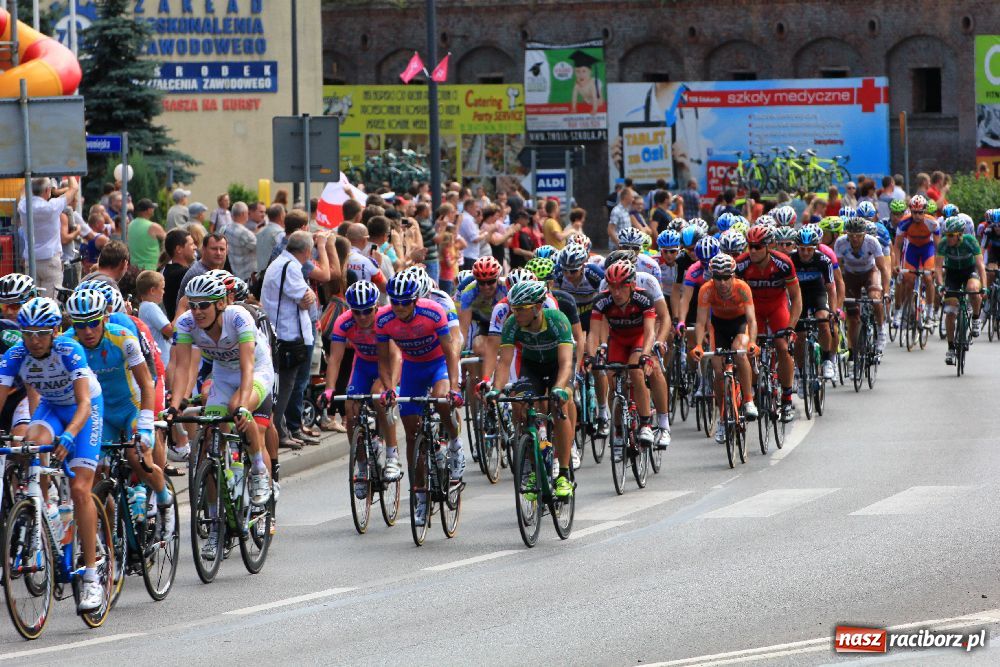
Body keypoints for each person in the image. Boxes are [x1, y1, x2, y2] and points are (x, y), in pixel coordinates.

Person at [0, 297, 104, 613]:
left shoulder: (69, 351)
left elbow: (85, 403)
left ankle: (90, 576)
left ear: (55, 331)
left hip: (84, 411)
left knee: (80, 489)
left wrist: (71, 434)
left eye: (41, 333)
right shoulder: (16, 355)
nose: (34, 340)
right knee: (28, 444)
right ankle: (42, 509)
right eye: (27, 332)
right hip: (51, 408)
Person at [65, 288, 174, 541]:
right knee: (94, 479)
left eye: (93, 322)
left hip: (130, 407)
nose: (88, 331)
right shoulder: (69, 343)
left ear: (104, 318)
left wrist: (146, 424)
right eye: (81, 325)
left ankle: (163, 499)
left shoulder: (123, 337)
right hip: (100, 413)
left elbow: (147, 383)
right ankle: (110, 541)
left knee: (137, 458)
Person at [170, 275, 273, 521]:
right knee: (209, 440)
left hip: (256, 371)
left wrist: (244, 407)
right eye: (193, 304)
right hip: (224, 376)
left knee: (237, 407)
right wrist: (175, 406)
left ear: (219, 304)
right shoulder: (185, 324)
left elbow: (248, 367)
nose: (197, 311)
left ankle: (258, 469)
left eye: (204, 304)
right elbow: (182, 368)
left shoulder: (238, 317)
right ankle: (216, 521)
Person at [376, 272, 462, 526]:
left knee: (442, 400)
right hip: (413, 368)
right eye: (395, 302)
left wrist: (455, 387)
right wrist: (390, 388)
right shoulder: (384, 319)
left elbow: (450, 351)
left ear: (415, 301)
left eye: (404, 302)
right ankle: (420, 497)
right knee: (412, 434)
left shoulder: (434, 312)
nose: (399, 307)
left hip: (437, 365)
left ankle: (455, 445)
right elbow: (384, 360)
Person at [485, 280, 575, 497]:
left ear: (537, 307)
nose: (516, 314)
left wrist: (559, 388)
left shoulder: (557, 320)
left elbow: (566, 363)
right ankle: (532, 463)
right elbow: (504, 363)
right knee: (520, 404)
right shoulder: (512, 324)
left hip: (556, 368)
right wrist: (495, 390)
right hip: (532, 368)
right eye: (514, 309)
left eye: (521, 309)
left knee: (559, 407)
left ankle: (563, 473)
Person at [322, 281, 401, 494]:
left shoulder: (385, 319)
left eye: (367, 311)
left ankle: (392, 454)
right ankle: (362, 464)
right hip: (364, 364)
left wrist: (391, 387)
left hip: (387, 363)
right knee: (350, 408)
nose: (363, 317)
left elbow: (394, 355)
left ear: (376, 307)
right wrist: (329, 390)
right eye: (357, 312)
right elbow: (335, 359)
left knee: (379, 396)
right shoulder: (343, 322)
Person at [589, 261, 657, 455]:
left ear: (632, 285)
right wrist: (590, 356)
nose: (616, 292)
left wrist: (646, 355)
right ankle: (618, 431)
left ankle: (645, 424)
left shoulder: (644, 298)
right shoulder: (602, 301)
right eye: (612, 287)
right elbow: (593, 335)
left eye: (621, 287)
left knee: (635, 372)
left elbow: (650, 332)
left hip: (638, 339)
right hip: (618, 340)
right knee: (612, 379)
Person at [735, 225, 802, 422]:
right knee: (749, 350)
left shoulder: (783, 263)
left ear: (768, 246)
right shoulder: (741, 264)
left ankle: (787, 399)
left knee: (782, 345)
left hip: (776, 307)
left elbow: (796, 297)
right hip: (753, 310)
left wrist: (791, 326)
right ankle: (753, 393)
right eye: (750, 246)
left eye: (757, 246)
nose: (753, 251)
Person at [690, 253, 759, 443]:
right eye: (717, 277)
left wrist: (752, 342)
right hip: (718, 327)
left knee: (740, 352)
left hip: (739, 324)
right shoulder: (706, 290)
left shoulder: (742, 288)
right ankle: (722, 417)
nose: (721, 282)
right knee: (718, 370)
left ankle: (748, 400)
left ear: (733, 275)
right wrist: (697, 345)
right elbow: (701, 321)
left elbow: (752, 319)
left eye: (726, 277)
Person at [262, 231, 318, 447]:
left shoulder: (283, 263)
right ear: (307, 250)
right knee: (285, 387)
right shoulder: (290, 266)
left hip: (285, 333)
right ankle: (277, 433)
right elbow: (305, 300)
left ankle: (286, 429)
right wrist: (310, 295)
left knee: (289, 385)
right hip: (287, 336)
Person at [835, 218, 890, 357]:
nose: (855, 238)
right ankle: (853, 352)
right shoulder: (840, 243)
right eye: (851, 235)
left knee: (874, 298)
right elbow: (837, 270)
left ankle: (881, 328)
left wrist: (886, 292)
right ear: (847, 234)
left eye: (858, 235)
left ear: (864, 234)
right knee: (853, 317)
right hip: (850, 274)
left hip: (870, 272)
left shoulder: (872, 242)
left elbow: (883, 269)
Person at [936, 217, 987, 364]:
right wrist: (940, 284)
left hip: (969, 271)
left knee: (973, 289)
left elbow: (980, 266)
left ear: (960, 234)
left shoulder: (970, 241)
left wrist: (984, 287)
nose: (948, 238)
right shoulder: (944, 243)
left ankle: (976, 318)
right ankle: (951, 348)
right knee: (950, 312)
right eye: (947, 234)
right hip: (952, 274)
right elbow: (938, 268)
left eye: (951, 235)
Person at [18, 176, 79, 298]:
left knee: (32, 304)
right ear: (47, 190)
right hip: (50, 261)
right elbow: (74, 188)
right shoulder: (52, 206)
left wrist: (30, 171)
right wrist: (71, 173)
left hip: (31, 261)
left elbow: (24, 189)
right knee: (50, 304)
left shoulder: (23, 206)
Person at [791, 226, 837, 380]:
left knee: (823, 322)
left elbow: (831, 288)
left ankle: (826, 360)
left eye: (809, 249)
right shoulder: (790, 260)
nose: (805, 253)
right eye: (802, 249)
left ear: (815, 248)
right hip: (798, 296)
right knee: (799, 335)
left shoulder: (823, 260)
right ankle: (800, 370)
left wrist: (833, 312)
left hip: (818, 292)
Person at [892, 194, 939, 328]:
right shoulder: (904, 223)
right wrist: (896, 264)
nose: (917, 216)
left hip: (927, 249)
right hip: (912, 249)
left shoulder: (932, 223)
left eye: (920, 212)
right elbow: (897, 246)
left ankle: (930, 314)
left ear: (925, 211)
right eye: (914, 212)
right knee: (908, 280)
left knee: (928, 278)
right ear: (910, 211)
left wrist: (936, 266)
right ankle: (909, 310)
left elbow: (938, 247)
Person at [176, 232, 228, 316]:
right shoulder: (200, 275)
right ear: (203, 249)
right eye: (214, 249)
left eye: (222, 249)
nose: (218, 253)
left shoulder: (212, 270)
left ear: (227, 250)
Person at [136, 271, 173, 367]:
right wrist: (182, 310)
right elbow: (171, 331)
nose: (164, 292)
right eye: (162, 288)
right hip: (163, 361)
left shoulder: (144, 307)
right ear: (152, 290)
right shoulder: (150, 307)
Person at [161, 229, 196, 322]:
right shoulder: (183, 274)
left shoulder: (167, 270)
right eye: (191, 244)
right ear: (179, 249)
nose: (195, 247)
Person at [127, 198, 166, 271]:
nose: (153, 210)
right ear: (149, 210)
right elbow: (170, 241)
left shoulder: (130, 225)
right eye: (152, 208)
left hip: (134, 269)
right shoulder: (153, 226)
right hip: (151, 268)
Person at [223, 201, 258, 282]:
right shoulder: (246, 233)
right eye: (247, 213)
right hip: (248, 277)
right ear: (243, 214)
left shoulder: (226, 229)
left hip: (234, 273)